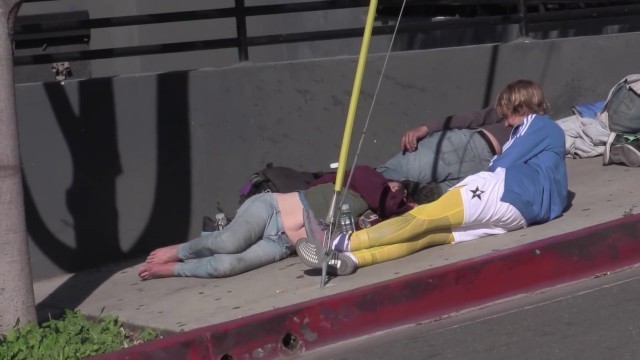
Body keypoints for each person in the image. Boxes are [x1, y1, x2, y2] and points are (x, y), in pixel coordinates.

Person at [296, 79, 568, 276]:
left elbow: (504, 162)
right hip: (524, 215)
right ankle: (353, 259)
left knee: (424, 218)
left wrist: (476, 182)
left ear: (519, 108)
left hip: (503, 190)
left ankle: (336, 244)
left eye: (508, 115)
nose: (505, 122)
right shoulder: (553, 151)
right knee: (433, 236)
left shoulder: (537, 124)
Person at [138, 165, 415, 280]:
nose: (395, 192)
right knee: (228, 242)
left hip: (282, 243)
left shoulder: (374, 216)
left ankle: (173, 269)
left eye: (401, 194)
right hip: (272, 209)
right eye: (396, 187)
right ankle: (180, 250)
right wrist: (401, 203)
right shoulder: (364, 175)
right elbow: (388, 199)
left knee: (226, 265)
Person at [376, 106, 511, 201]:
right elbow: (476, 117)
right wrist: (426, 128)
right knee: (387, 179)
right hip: (473, 151)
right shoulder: (523, 104)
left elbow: (476, 117)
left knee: (409, 199)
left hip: (484, 170)